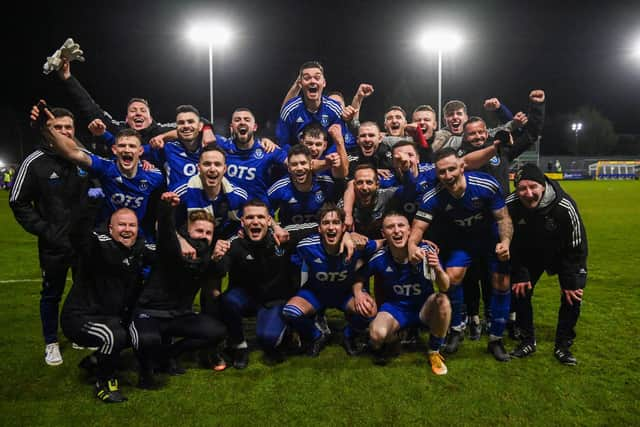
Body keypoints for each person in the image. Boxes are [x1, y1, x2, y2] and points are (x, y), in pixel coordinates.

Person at [408, 148, 514, 361]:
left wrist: (505, 242)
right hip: (463, 242)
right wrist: (411, 245)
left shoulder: (486, 185)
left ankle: (496, 338)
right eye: (442, 172)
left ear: (462, 167)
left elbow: (503, 219)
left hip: (491, 240)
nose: (447, 176)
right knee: (451, 277)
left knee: (501, 282)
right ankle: (457, 327)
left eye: (451, 169)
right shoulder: (433, 196)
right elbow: (418, 228)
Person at [10, 104, 90, 366]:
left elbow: (102, 183)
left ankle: (78, 333)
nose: (65, 131)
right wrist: (45, 230)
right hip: (53, 244)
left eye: (69, 127)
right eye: (59, 127)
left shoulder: (82, 157)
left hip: (82, 242)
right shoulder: (34, 161)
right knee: (51, 294)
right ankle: (51, 342)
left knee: (82, 290)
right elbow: (17, 201)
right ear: (48, 130)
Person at [130, 195, 227, 388]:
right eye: (199, 231)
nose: (204, 236)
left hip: (180, 316)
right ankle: (146, 371)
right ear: (187, 231)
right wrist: (166, 208)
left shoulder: (205, 255)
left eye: (208, 233)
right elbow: (165, 232)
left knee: (217, 331)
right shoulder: (172, 247)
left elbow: (217, 273)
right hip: (150, 313)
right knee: (148, 340)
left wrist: (216, 260)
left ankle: (170, 354)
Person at [61, 208, 154, 403]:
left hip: (110, 317)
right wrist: (89, 207)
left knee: (142, 332)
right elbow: (78, 236)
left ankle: (96, 361)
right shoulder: (98, 247)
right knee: (114, 335)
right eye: (122, 225)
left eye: (132, 225)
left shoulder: (139, 248)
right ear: (110, 228)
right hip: (80, 317)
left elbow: (167, 251)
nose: (127, 229)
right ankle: (104, 382)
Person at [507, 164, 588, 365]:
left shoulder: (564, 206)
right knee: (519, 290)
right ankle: (527, 340)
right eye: (522, 188)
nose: (528, 193)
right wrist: (519, 272)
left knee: (573, 295)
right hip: (528, 254)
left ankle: (563, 345)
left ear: (543, 186)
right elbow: (507, 242)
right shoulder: (510, 205)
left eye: (533, 187)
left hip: (563, 254)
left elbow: (577, 244)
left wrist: (571, 280)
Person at [215, 200, 313, 367]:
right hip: (247, 298)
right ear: (242, 221)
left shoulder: (283, 237)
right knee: (226, 300)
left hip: (274, 301)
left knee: (268, 340)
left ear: (269, 221)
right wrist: (216, 256)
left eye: (260, 217)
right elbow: (220, 269)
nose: (255, 221)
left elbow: (319, 227)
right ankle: (239, 346)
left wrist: (347, 234)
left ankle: (288, 330)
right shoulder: (234, 244)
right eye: (250, 217)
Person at [355, 212, 451, 374]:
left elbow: (445, 287)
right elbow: (359, 276)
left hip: (423, 308)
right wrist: (359, 293)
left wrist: (438, 270)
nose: (397, 231)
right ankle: (398, 336)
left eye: (401, 226)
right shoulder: (380, 257)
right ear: (383, 234)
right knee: (377, 337)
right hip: (396, 309)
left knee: (443, 301)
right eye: (390, 227)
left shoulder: (425, 250)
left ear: (409, 231)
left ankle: (434, 350)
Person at [282, 204, 379, 356]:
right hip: (315, 294)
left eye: (336, 223)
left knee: (369, 310)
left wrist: (415, 244)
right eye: (326, 223)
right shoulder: (306, 246)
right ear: (319, 228)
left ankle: (348, 335)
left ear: (343, 227)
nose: (331, 227)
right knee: (290, 312)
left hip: (344, 295)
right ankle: (317, 335)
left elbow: (381, 243)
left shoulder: (356, 245)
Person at [276, 61, 356, 151]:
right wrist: (302, 158)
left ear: (324, 82)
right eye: (307, 78)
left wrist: (324, 161)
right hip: (298, 162)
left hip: (328, 162)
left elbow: (343, 141)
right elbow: (282, 144)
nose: (312, 81)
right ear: (300, 84)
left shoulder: (334, 108)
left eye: (317, 78)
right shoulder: (289, 110)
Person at [223, 108, 289, 204]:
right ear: (231, 127)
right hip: (232, 213)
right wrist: (206, 127)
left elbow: (295, 163)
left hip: (258, 213)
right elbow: (200, 130)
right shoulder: (222, 146)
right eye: (237, 120)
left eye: (247, 120)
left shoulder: (267, 148)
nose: (242, 122)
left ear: (254, 127)